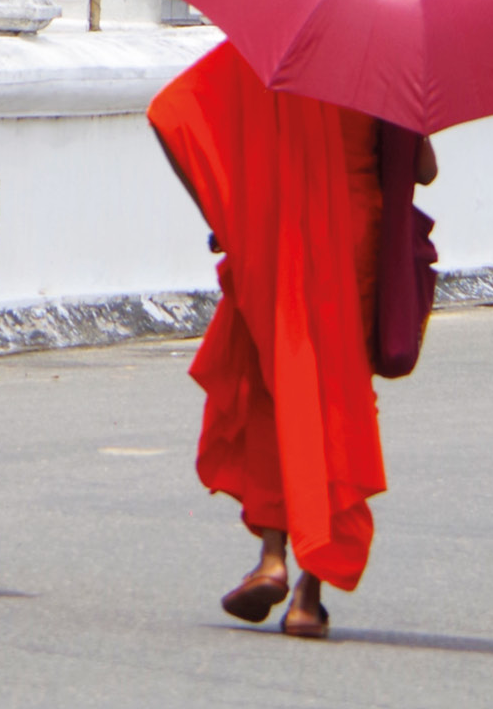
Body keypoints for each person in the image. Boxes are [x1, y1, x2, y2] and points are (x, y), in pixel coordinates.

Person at [147, 42, 437, 638]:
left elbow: (169, 113)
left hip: (272, 239)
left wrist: (224, 214)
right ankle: (309, 592)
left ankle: (273, 558)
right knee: (334, 398)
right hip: (353, 238)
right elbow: (424, 169)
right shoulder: (384, 54)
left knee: (271, 390)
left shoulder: (265, 48)